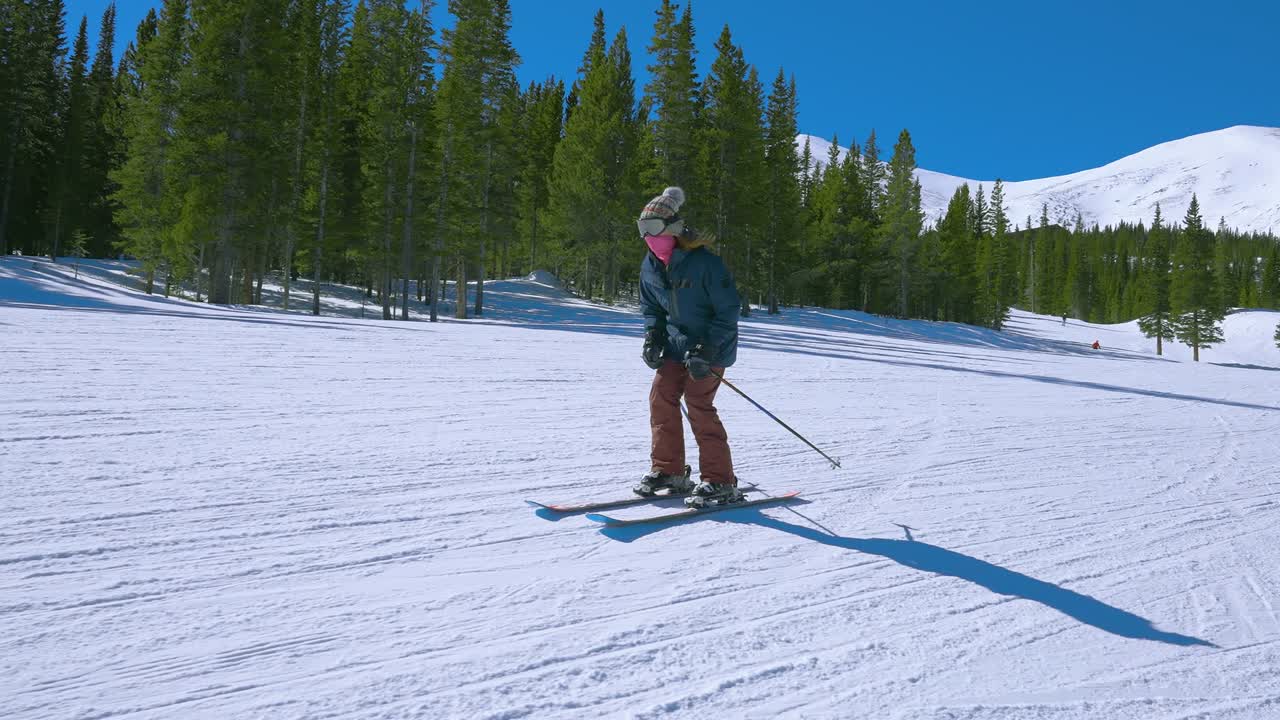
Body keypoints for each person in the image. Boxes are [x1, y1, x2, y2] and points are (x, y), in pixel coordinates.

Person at [634, 187, 743, 508]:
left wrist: (707, 348)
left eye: (653, 227)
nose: (648, 237)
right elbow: (651, 307)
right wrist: (653, 336)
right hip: (675, 345)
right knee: (661, 397)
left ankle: (720, 480)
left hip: (710, 346)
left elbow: (728, 310)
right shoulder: (650, 265)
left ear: (673, 228)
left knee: (698, 403)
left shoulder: (705, 264)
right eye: (642, 229)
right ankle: (669, 471)